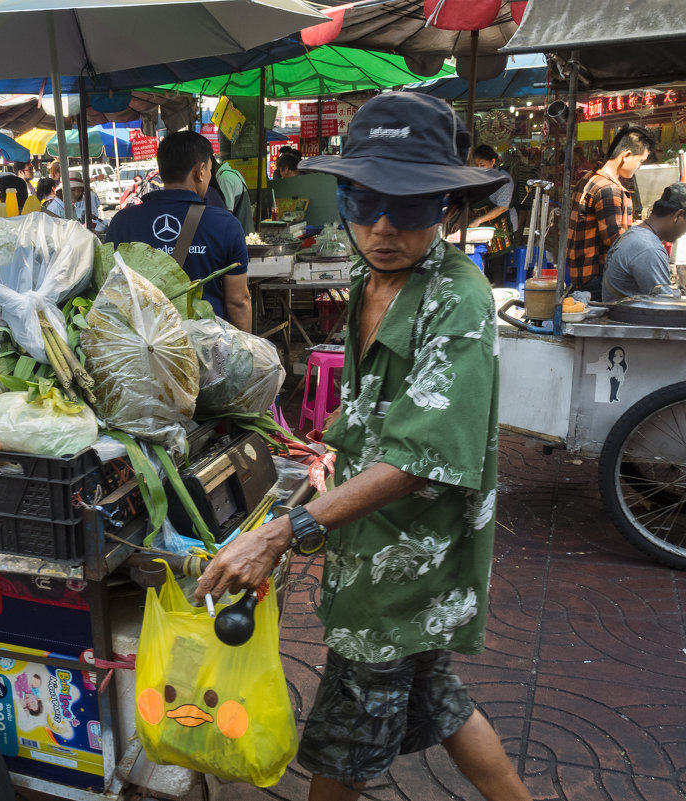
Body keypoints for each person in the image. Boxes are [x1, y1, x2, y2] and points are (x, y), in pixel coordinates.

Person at [194, 93, 531, 801]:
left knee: (341, 746)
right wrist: (320, 469)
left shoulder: (456, 299)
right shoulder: (366, 275)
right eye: (362, 202)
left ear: (444, 204)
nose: (381, 227)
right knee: (439, 699)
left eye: (407, 208)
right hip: (361, 540)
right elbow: (376, 419)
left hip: (406, 563)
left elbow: (421, 457)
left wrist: (283, 533)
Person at [107, 131, 251, 332]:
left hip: (142, 345)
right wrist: (244, 353)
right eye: (209, 170)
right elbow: (238, 301)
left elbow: (112, 291)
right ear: (200, 171)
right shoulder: (225, 225)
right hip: (206, 347)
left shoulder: (122, 223)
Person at [566, 123, 656, 299]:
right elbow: (614, 238)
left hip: (582, 273)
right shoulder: (608, 189)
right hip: (597, 277)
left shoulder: (589, 178)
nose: (639, 166)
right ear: (626, 155)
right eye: (640, 161)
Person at [602, 182, 686, 301]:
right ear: (678, 215)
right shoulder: (648, 248)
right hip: (632, 318)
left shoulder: (635, 234)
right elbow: (665, 303)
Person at [468, 144, 518, 273]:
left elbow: (502, 207)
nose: (479, 168)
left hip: (503, 227)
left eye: (482, 165)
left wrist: (478, 221)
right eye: (477, 165)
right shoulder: (477, 178)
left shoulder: (504, 180)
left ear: (493, 161)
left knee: (497, 268)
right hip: (484, 225)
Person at [212, 156, 254, 234]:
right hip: (246, 230)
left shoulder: (224, 178)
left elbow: (228, 213)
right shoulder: (234, 172)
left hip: (239, 233)